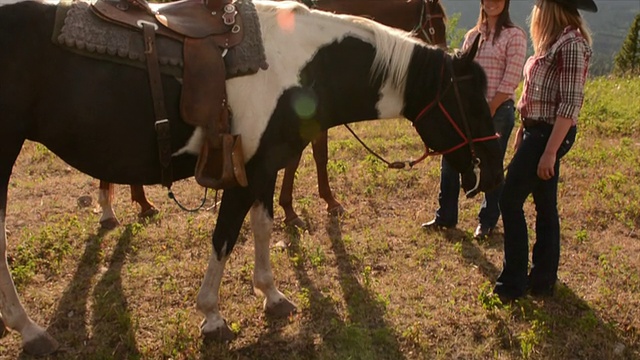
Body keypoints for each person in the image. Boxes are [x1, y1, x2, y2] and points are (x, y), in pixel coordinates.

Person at [493, 0, 596, 301]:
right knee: (544, 203)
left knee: (509, 199)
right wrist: (523, 131)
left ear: (550, 9)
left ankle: (513, 282)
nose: (535, 9)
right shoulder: (553, 42)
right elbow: (533, 95)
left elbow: (570, 105)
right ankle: (542, 279)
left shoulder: (571, 44)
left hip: (550, 133)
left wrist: (549, 151)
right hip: (536, 131)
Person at [422, 0, 527, 239]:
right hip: (466, 112)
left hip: (497, 111)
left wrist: (487, 111)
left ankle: (487, 221)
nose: (491, 2)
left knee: (491, 163)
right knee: (449, 160)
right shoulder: (472, 36)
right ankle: (445, 216)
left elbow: (510, 80)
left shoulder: (514, 36)